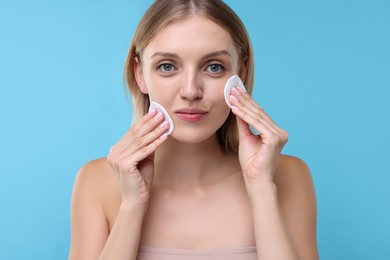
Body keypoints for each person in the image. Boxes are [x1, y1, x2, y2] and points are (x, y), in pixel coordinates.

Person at [69, 0, 319, 259]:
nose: (191, 91)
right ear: (140, 74)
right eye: (167, 66)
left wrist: (262, 187)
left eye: (214, 67)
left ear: (241, 74)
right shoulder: (96, 183)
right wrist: (132, 206)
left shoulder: (288, 176)